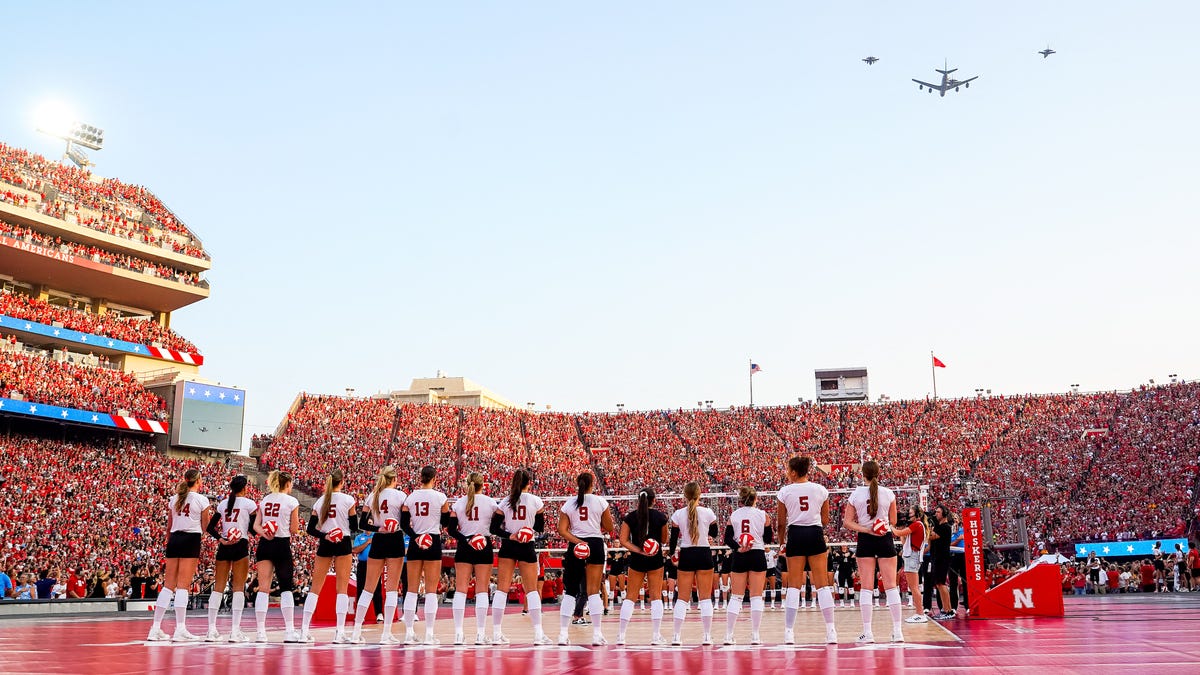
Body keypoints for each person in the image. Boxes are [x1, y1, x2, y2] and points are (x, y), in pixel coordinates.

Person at [776, 455, 838, 645]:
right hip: (815, 532)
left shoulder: (785, 492)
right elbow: (825, 520)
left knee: (793, 584)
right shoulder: (820, 489)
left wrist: (781, 543)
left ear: (794, 472)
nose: (787, 473)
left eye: (788, 470)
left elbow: (781, 523)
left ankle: (789, 632)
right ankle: (831, 631)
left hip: (795, 534)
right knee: (822, 584)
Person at [146, 468, 213, 642]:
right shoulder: (202, 499)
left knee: (168, 586)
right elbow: (206, 527)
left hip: (174, 539)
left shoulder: (174, 499)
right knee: (183, 586)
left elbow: (168, 527)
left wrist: (171, 542)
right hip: (190, 539)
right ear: (198, 480)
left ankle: (155, 628)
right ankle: (180, 628)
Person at [842, 460, 903, 644]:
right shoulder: (889, 493)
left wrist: (867, 529)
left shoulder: (856, 494)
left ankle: (868, 633)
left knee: (867, 587)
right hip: (884, 537)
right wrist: (880, 525)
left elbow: (847, 522)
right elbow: (893, 520)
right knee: (891, 586)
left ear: (863, 474)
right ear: (878, 473)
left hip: (866, 538)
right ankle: (897, 631)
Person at [489, 468, 551, 645]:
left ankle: (496, 633)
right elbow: (539, 527)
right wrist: (525, 529)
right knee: (531, 589)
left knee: (501, 589)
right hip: (526, 545)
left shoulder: (505, 502)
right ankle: (538, 634)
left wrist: (511, 535)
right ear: (529, 483)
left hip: (509, 545)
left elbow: (494, 529)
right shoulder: (536, 501)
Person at [351, 465, 407, 645]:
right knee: (391, 589)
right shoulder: (400, 496)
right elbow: (406, 523)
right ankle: (386, 634)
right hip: (395, 539)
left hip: (378, 539)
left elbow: (362, 523)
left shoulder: (372, 496)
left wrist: (379, 528)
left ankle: (356, 632)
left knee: (368, 588)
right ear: (394, 480)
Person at [301, 468, 358, 643]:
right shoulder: (348, 500)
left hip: (326, 541)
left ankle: (304, 631)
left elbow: (310, 529)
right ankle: (339, 632)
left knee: (315, 587)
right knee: (342, 588)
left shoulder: (320, 501)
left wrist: (326, 535)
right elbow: (354, 526)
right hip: (343, 541)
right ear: (342, 482)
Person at [557, 471, 614, 646]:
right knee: (593, 591)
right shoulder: (600, 501)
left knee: (571, 591)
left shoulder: (569, 503)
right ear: (593, 483)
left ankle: (562, 634)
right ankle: (597, 634)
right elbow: (609, 526)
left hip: (576, 545)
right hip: (595, 543)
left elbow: (562, 530)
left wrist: (578, 542)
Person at [448, 472, 500, 646]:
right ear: (482, 484)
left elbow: (451, 530)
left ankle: (457, 634)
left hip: (465, 545)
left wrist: (466, 539)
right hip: (483, 543)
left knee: (460, 589)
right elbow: (497, 526)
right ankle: (480, 634)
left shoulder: (458, 503)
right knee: (482, 589)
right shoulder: (491, 502)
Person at [203, 474, 256, 642]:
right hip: (240, 545)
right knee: (239, 588)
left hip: (224, 546)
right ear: (244, 488)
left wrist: (222, 539)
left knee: (218, 588)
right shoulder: (249, 504)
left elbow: (210, 527)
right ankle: (235, 631)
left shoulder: (223, 504)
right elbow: (253, 528)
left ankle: (211, 630)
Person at [401, 465, 450, 645]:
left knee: (411, 590)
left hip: (416, 542)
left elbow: (404, 524)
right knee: (431, 590)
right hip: (433, 540)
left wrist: (416, 537)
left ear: (420, 477)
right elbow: (445, 522)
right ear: (434, 478)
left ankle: (408, 633)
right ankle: (429, 634)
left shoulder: (410, 498)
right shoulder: (440, 497)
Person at [253, 470, 302, 643]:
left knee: (263, 588)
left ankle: (260, 633)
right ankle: (289, 631)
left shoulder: (266, 499)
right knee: (286, 587)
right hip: (281, 544)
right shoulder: (292, 501)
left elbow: (256, 525)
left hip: (265, 544)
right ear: (287, 484)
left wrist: (266, 533)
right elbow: (294, 529)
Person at [615, 487, 669, 645]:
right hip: (655, 559)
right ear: (654, 500)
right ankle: (655, 636)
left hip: (637, 559)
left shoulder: (630, 517)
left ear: (639, 500)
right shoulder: (661, 517)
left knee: (630, 597)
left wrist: (639, 549)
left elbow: (623, 540)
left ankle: (621, 635)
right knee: (656, 597)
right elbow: (664, 540)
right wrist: (651, 546)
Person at [667, 481, 719, 646]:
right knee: (704, 598)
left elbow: (673, 541)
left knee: (682, 598)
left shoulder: (678, 514)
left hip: (687, 554)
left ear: (684, 495)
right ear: (699, 494)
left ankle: (676, 636)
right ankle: (707, 636)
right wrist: (706, 533)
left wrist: (671, 555)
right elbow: (715, 533)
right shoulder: (708, 512)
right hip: (703, 553)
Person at [723, 486, 773, 645]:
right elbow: (768, 539)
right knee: (756, 596)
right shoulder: (763, 515)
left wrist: (739, 547)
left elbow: (727, 539)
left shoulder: (734, 515)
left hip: (740, 555)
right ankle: (755, 635)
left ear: (740, 500)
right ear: (755, 499)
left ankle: (729, 635)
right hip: (757, 552)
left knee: (736, 597)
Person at [892, 504, 928, 624]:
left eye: (911, 513)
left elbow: (897, 533)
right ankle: (919, 612)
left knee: (914, 587)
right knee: (913, 587)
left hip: (912, 556)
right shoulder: (916, 525)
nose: (909, 515)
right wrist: (901, 529)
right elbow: (903, 540)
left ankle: (920, 613)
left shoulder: (917, 524)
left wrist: (890, 526)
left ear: (917, 514)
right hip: (910, 556)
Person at [928, 505, 955, 619]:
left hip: (941, 558)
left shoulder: (945, 527)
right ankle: (946, 609)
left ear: (944, 514)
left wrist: (928, 527)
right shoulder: (940, 526)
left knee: (941, 584)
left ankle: (948, 610)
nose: (936, 514)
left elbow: (931, 537)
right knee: (939, 584)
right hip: (936, 558)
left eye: (938, 512)